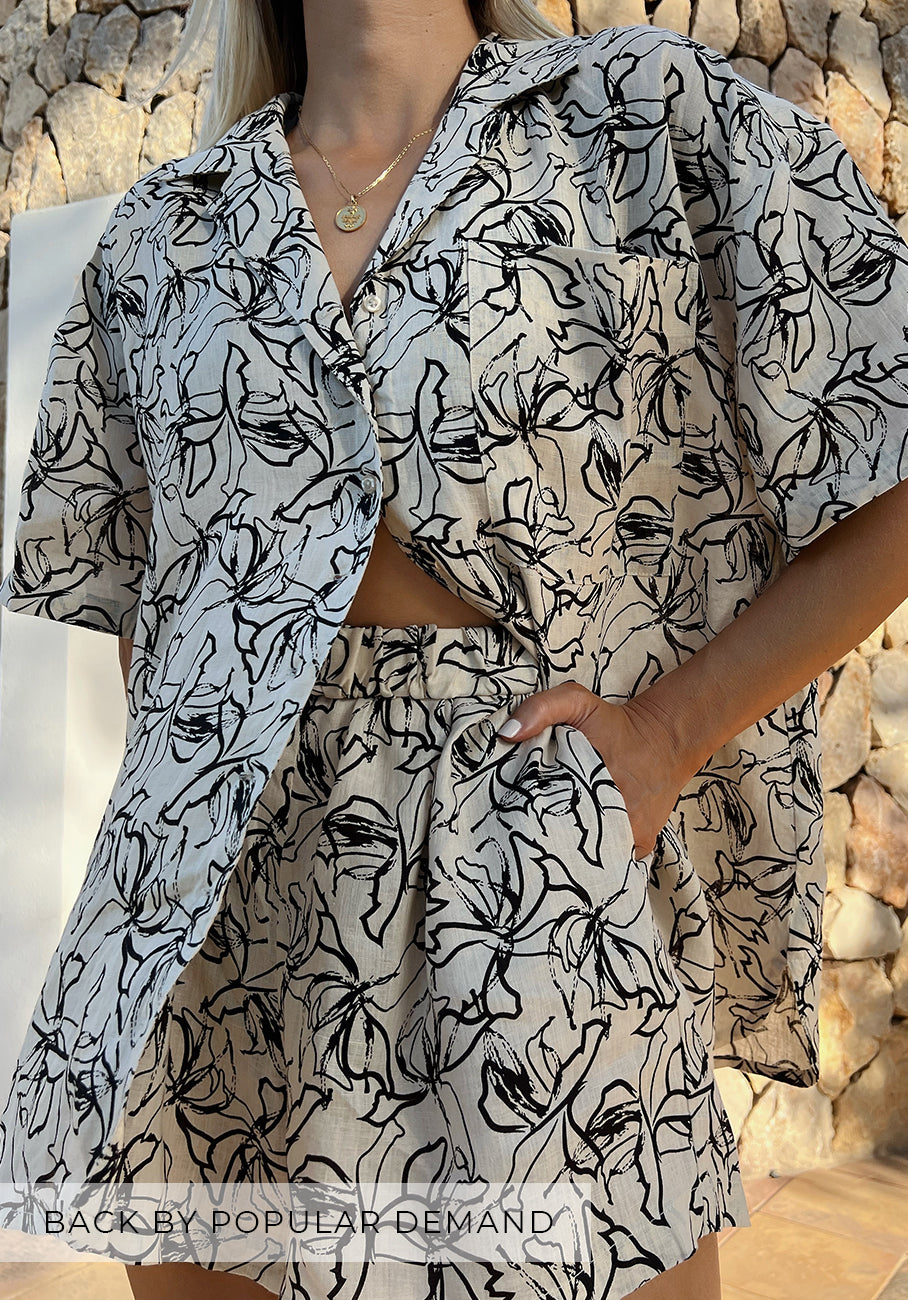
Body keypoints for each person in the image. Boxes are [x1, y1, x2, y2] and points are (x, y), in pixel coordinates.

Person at [0, 0, 907, 1297]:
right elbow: (151, 618)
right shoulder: (162, 237)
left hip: (526, 873)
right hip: (218, 937)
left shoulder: (642, 117)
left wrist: (666, 734)